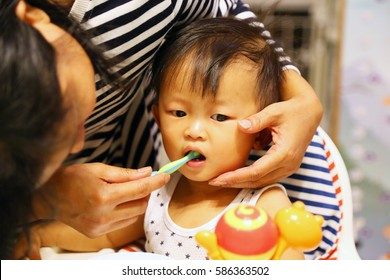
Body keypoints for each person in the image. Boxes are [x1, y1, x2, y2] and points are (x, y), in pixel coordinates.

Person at [1, 0, 322, 259]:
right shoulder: (156, 198)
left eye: (220, 117)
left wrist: (301, 95)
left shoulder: (261, 204)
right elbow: (108, 233)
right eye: (179, 113)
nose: (194, 130)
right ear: (157, 117)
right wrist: (39, 232)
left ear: (260, 133)